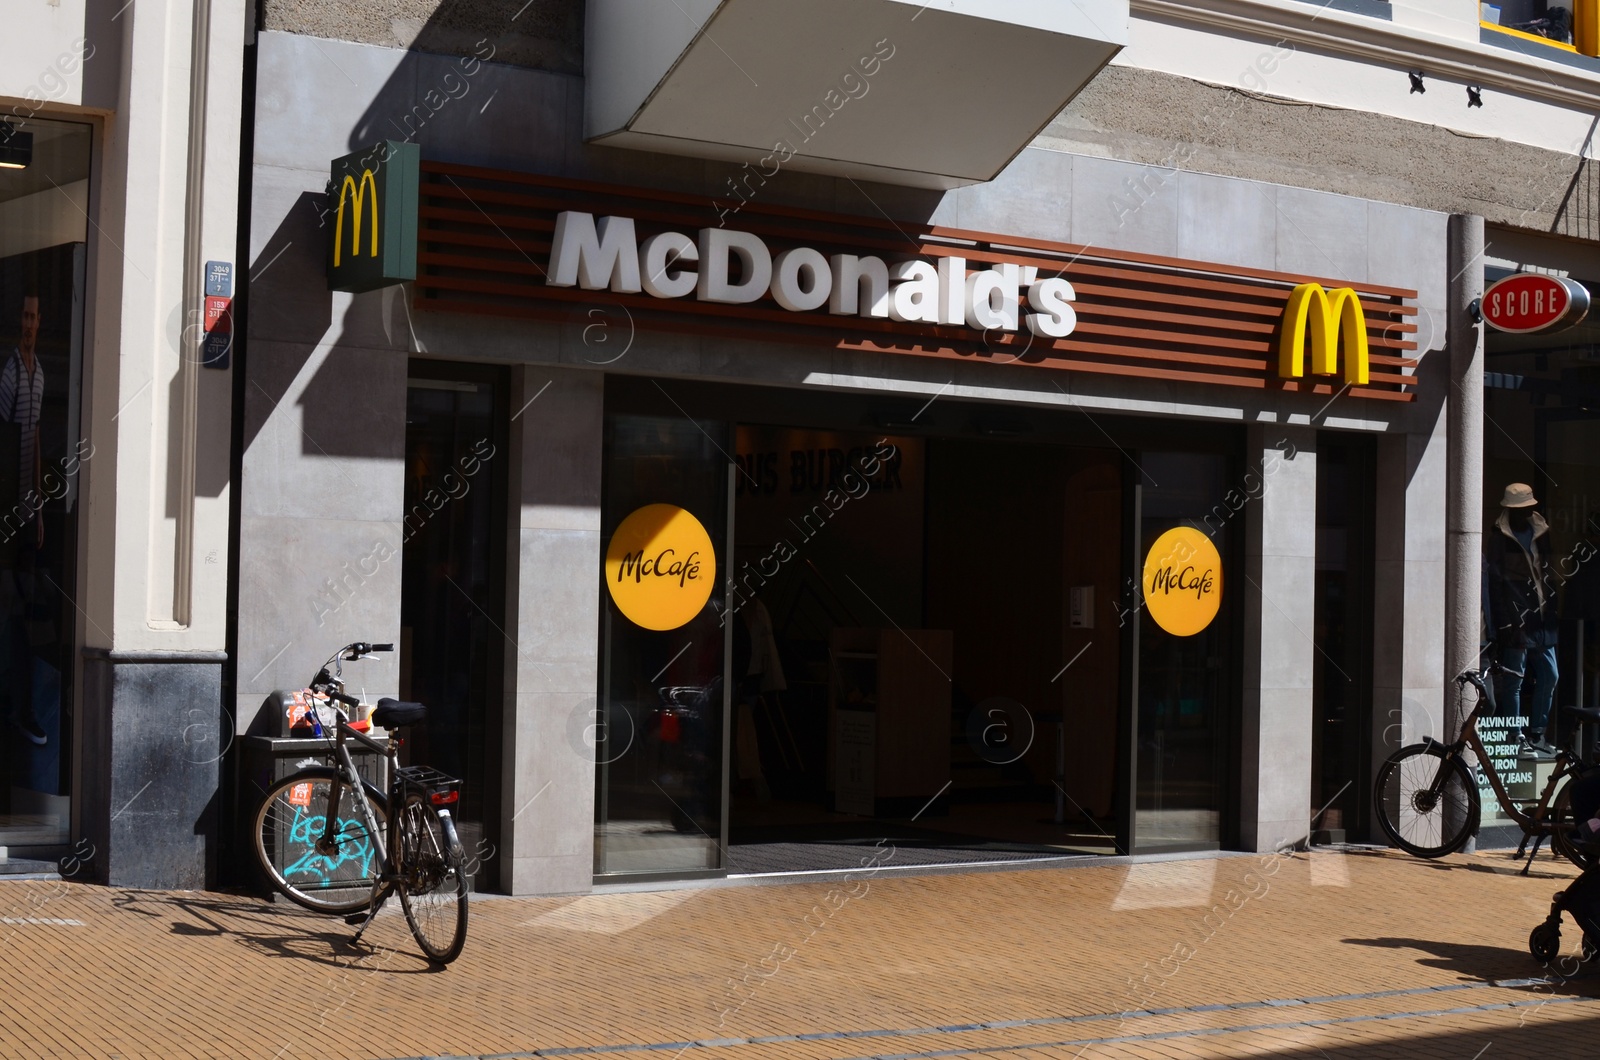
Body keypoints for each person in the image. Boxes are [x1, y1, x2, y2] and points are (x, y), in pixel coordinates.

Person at [1486, 482, 1560, 757]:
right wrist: (1503, 623)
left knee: (1550, 675)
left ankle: (1537, 733)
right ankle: (1514, 734)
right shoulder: (1499, 538)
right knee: (1514, 680)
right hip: (1517, 619)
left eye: (1527, 508)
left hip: (1541, 617)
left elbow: (1548, 572)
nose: (1524, 513)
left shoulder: (1541, 532)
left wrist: (1552, 609)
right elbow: (1496, 583)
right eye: (1519, 509)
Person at [0, 293, 43, 746]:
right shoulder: (11, 374)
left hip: (27, 509)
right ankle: (16, 706)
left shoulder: (40, 372)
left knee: (22, 612)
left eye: (34, 316)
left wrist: (39, 510)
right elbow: (7, 441)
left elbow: (34, 438)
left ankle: (18, 706)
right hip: (8, 510)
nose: (30, 324)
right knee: (13, 610)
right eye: (25, 316)